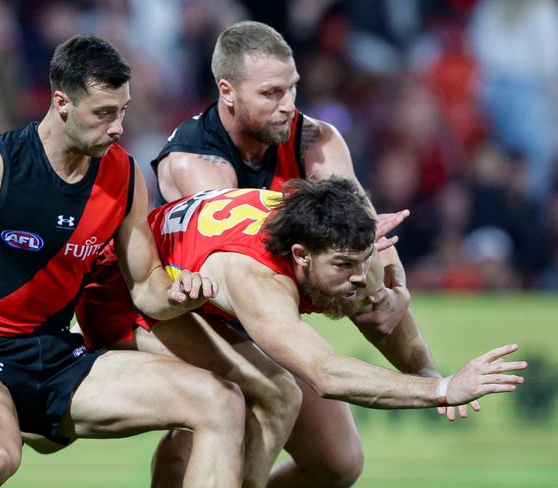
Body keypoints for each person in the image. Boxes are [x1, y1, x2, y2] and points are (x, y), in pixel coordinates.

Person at [0, 34, 246, 487]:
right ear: (62, 102)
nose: (118, 127)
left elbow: (146, 285)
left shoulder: (123, 174)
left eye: (123, 110)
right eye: (104, 113)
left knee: (220, 402)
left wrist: (178, 291)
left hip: (56, 351)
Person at [149, 20, 451, 486]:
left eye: (292, 89)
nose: (288, 105)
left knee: (338, 463)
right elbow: (235, 260)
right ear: (227, 92)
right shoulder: (194, 163)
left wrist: (394, 288)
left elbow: (360, 238)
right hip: (193, 308)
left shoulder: (317, 139)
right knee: (254, 402)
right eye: (270, 94)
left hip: (266, 306)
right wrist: (360, 244)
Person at [140, 178, 527, 488]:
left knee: (337, 461)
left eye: (364, 261)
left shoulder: (350, 247)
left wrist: (426, 373)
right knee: (273, 394)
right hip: (136, 295)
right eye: (343, 265)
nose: (358, 278)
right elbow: (324, 373)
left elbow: (379, 317)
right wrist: (443, 389)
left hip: (201, 294)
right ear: (301, 256)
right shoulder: (255, 276)